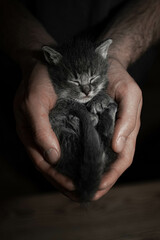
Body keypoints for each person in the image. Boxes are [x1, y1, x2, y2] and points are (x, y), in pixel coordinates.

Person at [0, 0, 159, 201]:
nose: (86, 91)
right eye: (76, 83)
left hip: (126, 47)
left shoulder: (101, 76)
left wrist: (116, 57)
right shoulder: (58, 82)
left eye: (92, 81)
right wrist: (32, 58)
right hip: (23, 79)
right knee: (33, 159)